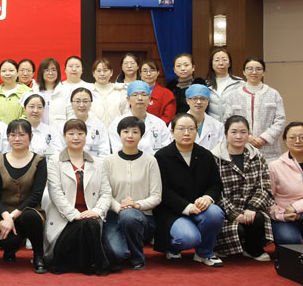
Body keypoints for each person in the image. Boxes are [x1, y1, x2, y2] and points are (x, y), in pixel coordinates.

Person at [153, 113, 225, 267]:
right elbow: (162, 191)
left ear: (196, 131)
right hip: (172, 211)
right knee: (188, 238)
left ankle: (204, 253)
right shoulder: (162, 156)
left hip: (200, 207)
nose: (186, 133)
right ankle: (173, 247)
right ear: (172, 132)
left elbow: (215, 184)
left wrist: (207, 198)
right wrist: (187, 207)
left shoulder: (205, 155)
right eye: (181, 129)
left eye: (191, 129)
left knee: (215, 213)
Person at [45, 119, 112, 275]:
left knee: (90, 223)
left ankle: (90, 263)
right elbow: (55, 193)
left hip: (91, 217)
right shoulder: (54, 161)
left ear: (86, 136)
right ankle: (98, 264)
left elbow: (106, 193)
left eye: (80, 134)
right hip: (65, 221)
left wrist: (96, 211)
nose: (76, 137)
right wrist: (75, 214)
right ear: (64, 136)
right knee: (88, 224)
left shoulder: (98, 163)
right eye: (71, 134)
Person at [101, 116, 162, 271]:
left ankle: (137, 257)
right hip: (114, 215)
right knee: (117, 254)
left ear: (141, 135)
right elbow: (105, 193)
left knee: (129, 215)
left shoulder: (150, 161)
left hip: (142, 217)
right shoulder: (109, 161)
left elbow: (156, 196)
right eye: (125, 131)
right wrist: (119, 208)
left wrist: (136, 205)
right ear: (119, 134)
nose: (130, 136)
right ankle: (125, 246)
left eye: (135, 132)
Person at [212, 115, 274, 261]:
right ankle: (223, 248)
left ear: (249, 134)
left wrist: (252, 207)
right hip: (226, 213)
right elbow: (215, 192)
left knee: (258, 218)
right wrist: (235, 214)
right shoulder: (214, 158)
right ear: (226, 133)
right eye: (234, 132)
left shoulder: (257, 156)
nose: (238, 136)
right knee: (237, 229)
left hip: (249, 210)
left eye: (243, 132)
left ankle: (252, 249)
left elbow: (264, 186)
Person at [0, 119, 47, 273]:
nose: (17, 139)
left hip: (30, 210)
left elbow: (36, 196)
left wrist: (12, 217)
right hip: (5, 213)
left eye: (22, 135)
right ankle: (11, 248)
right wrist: (6, 217)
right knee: (8, 242)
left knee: (30, 217)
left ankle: (38, 255)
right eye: (12, 135)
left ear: (30, 136)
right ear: (7, 137)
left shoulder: (39, 161)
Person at [226, 57, 286, 162]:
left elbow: (280, 120)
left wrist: (264, 138)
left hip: (269, 151)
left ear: (264, 72)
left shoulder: (273, 94)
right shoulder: (233, 95)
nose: (254, 72)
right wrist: (246, 136)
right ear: (244, 72)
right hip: (241, 147)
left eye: (258, 69)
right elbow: (227, 120)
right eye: (249, 68)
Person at [268, 121, 303, 245]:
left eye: (302, 137)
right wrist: (281, 216)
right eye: (292, 137)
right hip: (284, 217)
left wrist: (297, 207)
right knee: (291, 241)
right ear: (285, 140)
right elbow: (269, 198)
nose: (297, 141)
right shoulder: (275, 166)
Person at [109, 81, 172, 155]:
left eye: (144, 95)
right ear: (128, 99)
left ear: (149, 99)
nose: (140, 98)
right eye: (135, 95)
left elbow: (166, 149)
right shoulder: (117, 123)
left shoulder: (159, 123)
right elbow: (117, 150)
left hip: (156, 161)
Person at [70, 87, 111, 165]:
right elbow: (60, 151)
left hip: (95, 167)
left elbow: (104, 152)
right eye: (77, 101)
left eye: (85, 101)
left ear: (91, 103)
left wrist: (95, 168)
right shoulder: (63, 126)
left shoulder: (99, 126)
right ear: (71, 103)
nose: (81, 105)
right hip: (69, 168)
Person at [21, 92, 63, 160]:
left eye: (39, 107)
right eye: (31, 106)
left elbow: (57, 153)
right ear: (24, 108)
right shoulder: (18, 130)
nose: (35, 110)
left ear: (44, 109)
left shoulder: (52, 131)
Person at [88, 58, 128, 129]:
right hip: (94, 131)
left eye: (105, 70)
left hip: (116, 132)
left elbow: (125, 113)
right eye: (98, 71)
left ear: (111, 72)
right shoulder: (88, 91)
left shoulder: (120, 91)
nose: (102, 74)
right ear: (93, 73)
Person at [205, 48, 243, 121]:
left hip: (233, 125)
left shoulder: (239, 83)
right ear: (211, 64)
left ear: (229, 63)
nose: (221, 63)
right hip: (212, 125)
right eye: (217, 60)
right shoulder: (205, 85)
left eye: (224, 60)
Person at [0, 59, 31, 124]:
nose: (7, 73)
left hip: (19, 129)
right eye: (3, 71)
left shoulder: (27, 92)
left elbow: (27, 115)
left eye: (11, 70)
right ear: (0, 73)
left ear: (17, 73)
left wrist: (15, 128)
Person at [185, 85, 224, 151]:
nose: (199, 102)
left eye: (203, 99)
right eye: (195, 98)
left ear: (208, 101)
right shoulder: (176, 124)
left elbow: (221, 150)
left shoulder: (217, 126)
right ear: (187, 100)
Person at [35, 58, 69, 130]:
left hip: (59, 132)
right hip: (38, 131)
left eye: (54, 70)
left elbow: (70, 113)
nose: (50, 73)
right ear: (41, 72)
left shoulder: (65, 91)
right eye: (47, 70)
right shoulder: (34, 91)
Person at [140, 60, 176, 124]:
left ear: (158, 73)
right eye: (145, 71)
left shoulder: (167, 94)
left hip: (159, 128)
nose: (149, 74)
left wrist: (155, 127)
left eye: (152, 70)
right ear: (140, 74)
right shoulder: (134, 93)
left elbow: (168, 117)